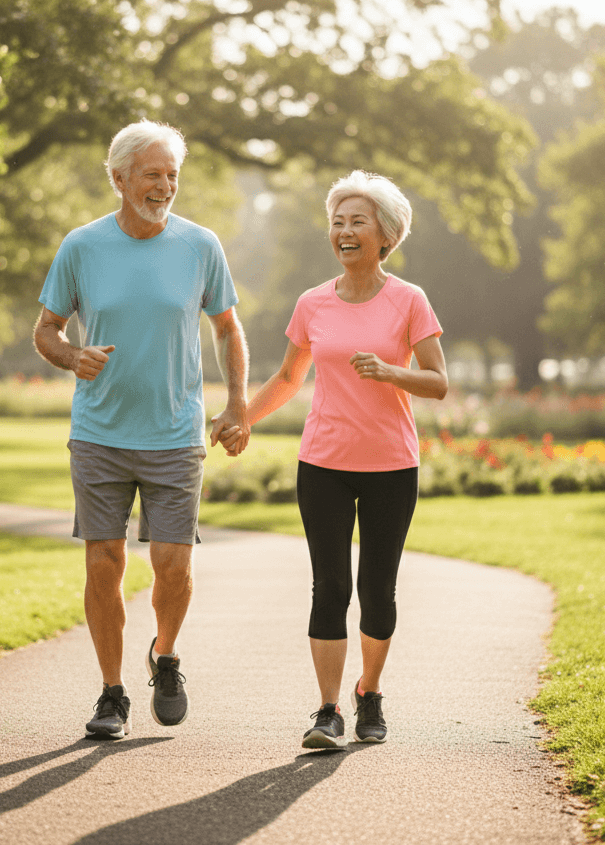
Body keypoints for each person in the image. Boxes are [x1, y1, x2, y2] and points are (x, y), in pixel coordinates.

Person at [33, 120, 249, 741]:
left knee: (172, 566)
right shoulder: (82, 246)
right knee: (103, 562)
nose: (164, 186)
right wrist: (73, 357)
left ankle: (167, 656)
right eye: (152, 174)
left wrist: (237, 404)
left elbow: (228, 327)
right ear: (120, 177)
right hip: (98, 432)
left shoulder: (200, 244)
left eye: (172, 175)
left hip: (176, 435)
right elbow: (46, 330)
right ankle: (111, 693)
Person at [242, 169, 447, 749]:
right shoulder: (312, 303)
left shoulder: (410, 300)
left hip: (390, 464)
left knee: (378, 587)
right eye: (338, 222)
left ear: (386, 234)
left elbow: (437, 382)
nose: (345, 231)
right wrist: (242, 419)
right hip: (324, 464)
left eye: (358, 222)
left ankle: (370, 693)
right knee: (329, 586)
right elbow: (287, 377)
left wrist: (389, 372)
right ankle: (328, 710)